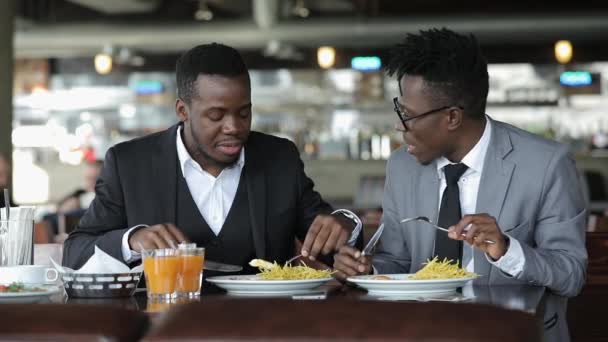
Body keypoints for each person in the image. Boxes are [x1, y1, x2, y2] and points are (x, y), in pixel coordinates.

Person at [63, 43, 360, 273]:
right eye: (216, 116)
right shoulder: (130, 164)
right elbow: (75, 252)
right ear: (183, 111)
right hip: (161, 325)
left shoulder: (279, 158)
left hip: (267, 323)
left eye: (244, 113)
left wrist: (345, 223)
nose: (234, 127)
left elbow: (327, 230)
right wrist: (132, 241)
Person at [334, 28, 587, 297]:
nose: (399, 125)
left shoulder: (546, 164)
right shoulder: (402, 166)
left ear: (452, 117)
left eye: (407, 114)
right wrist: (367, 270)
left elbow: (570, 275)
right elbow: (397, 262)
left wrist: (506, 250)